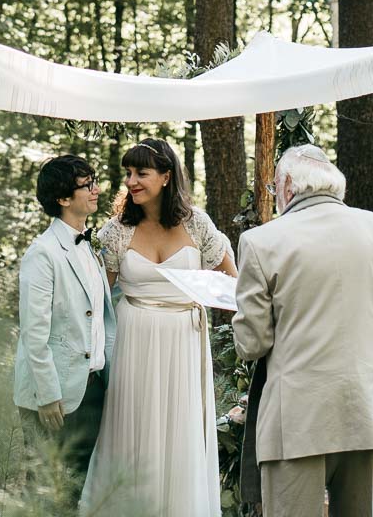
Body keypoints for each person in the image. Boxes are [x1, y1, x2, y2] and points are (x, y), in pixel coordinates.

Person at [232, 144, 373, 517]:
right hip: (369, 412)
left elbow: (252, 343)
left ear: (287, 185)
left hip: (297, 420)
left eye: (273, 188)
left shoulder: (261, 241)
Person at [85, 138, 236, 517]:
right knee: (131, 428)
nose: (131, 181)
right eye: (128, 173)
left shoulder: (197, 224)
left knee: (179, 429)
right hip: (134, 338)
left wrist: (203, 294)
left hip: (184, 337)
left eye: (141, 173)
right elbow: (96, 298)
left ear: (167, 176)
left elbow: (232, 281)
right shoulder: (116, 230)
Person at [13, 154, 114, 501]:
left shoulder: (90, 246)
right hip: (54, 394)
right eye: (87, 185)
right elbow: (33, 333)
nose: (96, 189)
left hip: (91, 388)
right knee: (46, 493)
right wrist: (47, 395)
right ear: (63, 198)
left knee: (73, 492)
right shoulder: (42, 253)